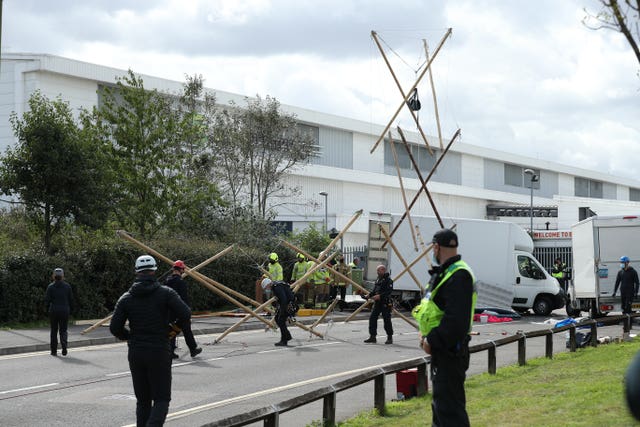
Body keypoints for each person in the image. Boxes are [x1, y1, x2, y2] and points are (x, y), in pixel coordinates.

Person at [110, 255, 191, 427]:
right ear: (154, 270)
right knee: (161, 399)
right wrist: (173, 330)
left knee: (143, 400)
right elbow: (185, 313)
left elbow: (114, 328)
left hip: (136, 351)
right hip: (159, 349)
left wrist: (129, 337)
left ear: (136, 272)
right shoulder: (166, 293)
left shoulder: (126, 298)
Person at [414, 228, 476, 427]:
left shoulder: (459, 275)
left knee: (450, 413)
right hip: (444, 351)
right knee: (441, 409)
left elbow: (456, 321)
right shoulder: (447, 272)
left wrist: (432, 340)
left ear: (436, 247)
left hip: (450, 352)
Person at [165, 260, 202, 359]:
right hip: (180, 311)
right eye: (183, 269)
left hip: (169, 311)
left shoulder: (167, 281)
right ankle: (193, 349)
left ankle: (171, 352)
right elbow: (184, 299)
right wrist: (187, 312)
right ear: (181, 269)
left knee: (172, 331)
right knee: (186, 330)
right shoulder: (181, 282)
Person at [45, 268, 74, 356]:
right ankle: (64, 346)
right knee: (63, 330)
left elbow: (47, 301)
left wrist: (47, 309)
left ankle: (54, 351)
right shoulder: (67, 286)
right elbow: (71, 300)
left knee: (54, 331)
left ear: (53, 276)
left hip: (53, 310)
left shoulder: (50, 287)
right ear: (63, 276)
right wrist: (70, 310)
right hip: (64, 310)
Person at [363, 264, 394, 344]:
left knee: (387, 320)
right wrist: (369, 295)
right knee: (372, 318)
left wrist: (380, 296)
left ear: (383, 270)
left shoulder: (388, 280)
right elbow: (374, 291)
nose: (377, 272)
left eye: (378, 270)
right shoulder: (378, 279)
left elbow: (388, 292)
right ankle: (372, 336)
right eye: (377, 270)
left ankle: (389, 337)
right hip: (377, 303)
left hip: (385, 303)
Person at [261, 278, 294, 346]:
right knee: (277, 319)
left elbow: (283, 299)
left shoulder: (277, 287)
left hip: (289, 305)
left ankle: (284, 340)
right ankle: (287, 336)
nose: (267, 289)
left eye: (266, 287)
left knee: (281, 320)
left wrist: (282, 310)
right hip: (288, 304)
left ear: (268, 284)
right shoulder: (276, 285)